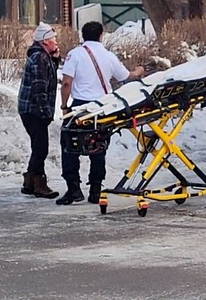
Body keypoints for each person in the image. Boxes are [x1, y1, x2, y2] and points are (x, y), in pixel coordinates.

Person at [56, 21, 144, 205]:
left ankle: (74, 189)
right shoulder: (108, 56)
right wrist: (138, 71)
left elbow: (66, 83)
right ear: (101, 35)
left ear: (83, 35)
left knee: (70, 147)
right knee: (98, 147)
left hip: (80, 109)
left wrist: (64, 106)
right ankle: (96, 190)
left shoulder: (75, 55)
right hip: (103, 108)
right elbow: (126, 76)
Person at [18, 24, 61, 199]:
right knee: (41, 147)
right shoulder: (39, 58)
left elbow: (48, 77)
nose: (56, 42)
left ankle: (30, 182)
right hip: (32, 109)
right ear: (45, 41)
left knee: (38, 146)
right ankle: (38, 183)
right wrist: (45, 110)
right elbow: (39, 85)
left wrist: (56, 59)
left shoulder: (44, 56)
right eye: (54, 39)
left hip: (30, 108)